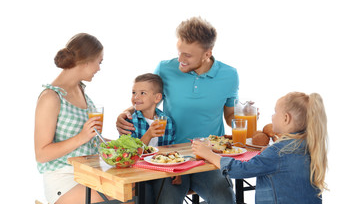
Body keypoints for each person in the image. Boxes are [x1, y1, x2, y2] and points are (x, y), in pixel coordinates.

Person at [116, 17, 238, 203]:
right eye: (179, 52)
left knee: (226, 200)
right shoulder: (165, 69)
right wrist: (126, 113)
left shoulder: (229, 75)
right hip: (169, 157)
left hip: (207, 158)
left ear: (207, 53)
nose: (180, 59)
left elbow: (230, 116)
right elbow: (149, 100)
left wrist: (244, 118)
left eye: (188, 55)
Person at [192, 92, 328, 204]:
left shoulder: (278, 152)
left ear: (286, 118)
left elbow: (239, 170)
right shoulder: (311, 145)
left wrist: (209, 154)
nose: (272, 116)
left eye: (275, 112)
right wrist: (267, 155)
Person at [34, 33, 108, 204]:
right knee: (121, 198)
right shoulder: (51, 97)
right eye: (99, 62)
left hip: (88, 172)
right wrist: (81, 137)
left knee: (137, 191)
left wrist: (115, 144)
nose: (99, 68)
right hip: (64, 179)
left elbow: (90, 138)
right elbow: (42, 154)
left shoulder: (81, 90)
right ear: (86, 60)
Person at [128, 73, 175, 146]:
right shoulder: (129, 122)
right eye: (134, 92)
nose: (136, 97)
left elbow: (169, 148)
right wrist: (148, 135)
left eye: (142, 93)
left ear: (157, 98)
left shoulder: (167, 121)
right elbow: (130, 153)